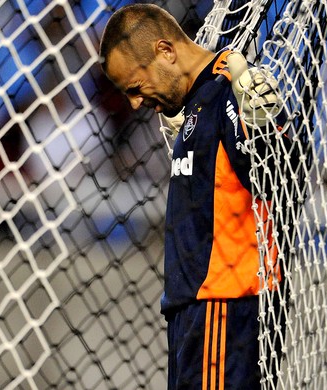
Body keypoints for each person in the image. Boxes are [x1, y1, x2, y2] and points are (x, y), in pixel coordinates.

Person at [99, 4, 289, 389]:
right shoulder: (198, 103)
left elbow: (277, 169)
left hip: (223, 306)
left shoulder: (230, 91)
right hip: (198, 313)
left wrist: (272, 126)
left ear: (165, 51)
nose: (135, 103)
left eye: (135, 87)